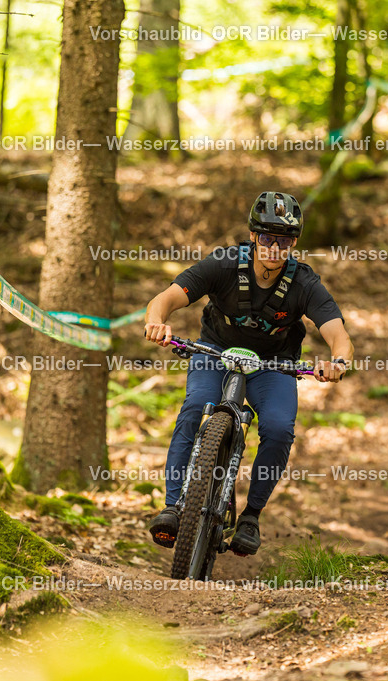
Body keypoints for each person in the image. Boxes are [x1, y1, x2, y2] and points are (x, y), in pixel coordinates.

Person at [143, 191, 354, 555]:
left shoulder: (304, 283)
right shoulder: (223, 264)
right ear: (254, 237)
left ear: (293, 242)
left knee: (277, 428)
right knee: (195, 409)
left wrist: (338, 363)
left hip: (273, 364)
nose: (275, 247)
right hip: (216, 351)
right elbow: (167, 297)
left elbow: (338, 334)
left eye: (284, 239)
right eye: (267, 237)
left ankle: (251, 516)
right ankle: (174, 507)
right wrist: (156, 321)